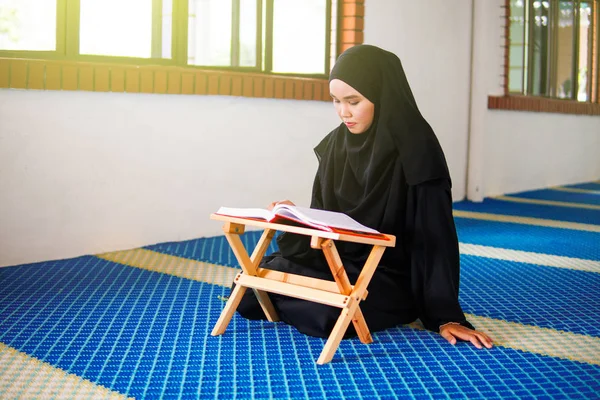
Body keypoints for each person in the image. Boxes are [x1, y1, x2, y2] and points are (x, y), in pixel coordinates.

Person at [236, 44, 493, 349]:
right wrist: (295, 218)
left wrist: (444, 314)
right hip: (339, 263)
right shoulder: (335, 145)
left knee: (329, 313)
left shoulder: (417, 149)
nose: (344, 112)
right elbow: (325, 223)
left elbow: (434, 237)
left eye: (353, 101)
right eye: (335, 101)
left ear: (381, 95)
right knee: (254, 285)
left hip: (390, 274)